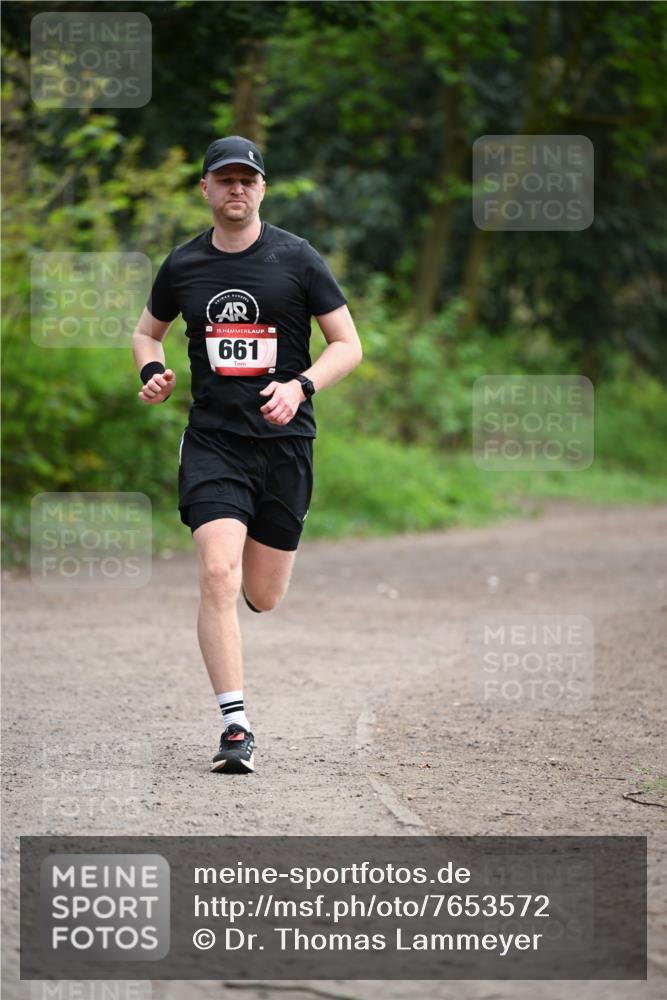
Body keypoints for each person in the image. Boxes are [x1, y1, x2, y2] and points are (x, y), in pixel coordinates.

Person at [131, 135, 362, 775]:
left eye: (247, 180)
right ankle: (236, 725)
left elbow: (348, 344)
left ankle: (263, 578)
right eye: (224, 180)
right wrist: (152, 370)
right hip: (214, 442)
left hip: (286, 446)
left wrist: (301, 384)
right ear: (205, 188)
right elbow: (147, 332)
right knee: (216, 575)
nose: (237, 189)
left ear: (262, 188)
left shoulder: (298, 259)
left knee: (263, 593)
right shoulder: (182, 266)